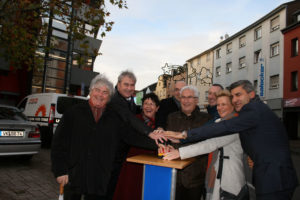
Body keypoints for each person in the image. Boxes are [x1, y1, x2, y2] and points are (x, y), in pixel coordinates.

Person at [163, 80, 298, 200]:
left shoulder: (250, 112)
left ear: (251, 94)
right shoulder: (247, 115)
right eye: (232, 96)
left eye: (238, 95)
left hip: (273, 179)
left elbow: (211, 142)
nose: (234, 99)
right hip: (267, 176)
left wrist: (182, 141)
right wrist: (179, 140)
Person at [51, 74, 157, 200]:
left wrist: (158, 143)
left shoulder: (114, 117)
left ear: (109, 97)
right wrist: (60, 171)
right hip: (74, 174)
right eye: (97, 90)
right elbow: (58, 143)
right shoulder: (73, 113)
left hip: (99, 177)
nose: (100, 95)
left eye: (105, 92)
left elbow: (131, 137)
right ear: (91, 91)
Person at [164, 90, 245, 200]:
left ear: (232, 105)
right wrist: (179, 141)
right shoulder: (219, 122)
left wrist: (180, 152)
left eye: (224, 104)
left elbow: (209, 144)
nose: (219, 108)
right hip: (215, 173)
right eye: (218, 104)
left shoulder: (234, 124)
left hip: (229, 177)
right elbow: (201, 134)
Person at [164, 85, 211, 200]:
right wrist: (165, 146)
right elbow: (168, 142)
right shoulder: (171, 117)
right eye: (183, 97)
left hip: (196, 177)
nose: (186, 101)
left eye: (189, 97)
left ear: (196, 100)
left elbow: (206, 146)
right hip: (175, 176)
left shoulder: (207, 119)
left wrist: (180, 151)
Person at [113, 93, 160, 200]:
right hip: (134, 163)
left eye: (151, 104)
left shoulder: (160, 123)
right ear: (142, 106)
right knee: (131, 191)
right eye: (145, 103)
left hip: (153, 165)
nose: (148, 106)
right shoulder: (134, 120)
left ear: (157, 108)